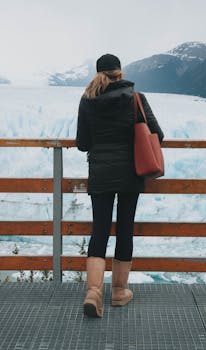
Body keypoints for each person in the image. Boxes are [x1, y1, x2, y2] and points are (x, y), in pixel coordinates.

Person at [76, 53, 164, 318]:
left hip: (101, 174)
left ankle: (93, 293)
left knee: (99, 230)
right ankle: (118, 292)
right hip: (130, 173)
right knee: (125, 227)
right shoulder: (136, 98)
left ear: (97, 73)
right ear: (120, 73)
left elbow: (82, 143)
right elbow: (157, 134)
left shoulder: (87, 100)